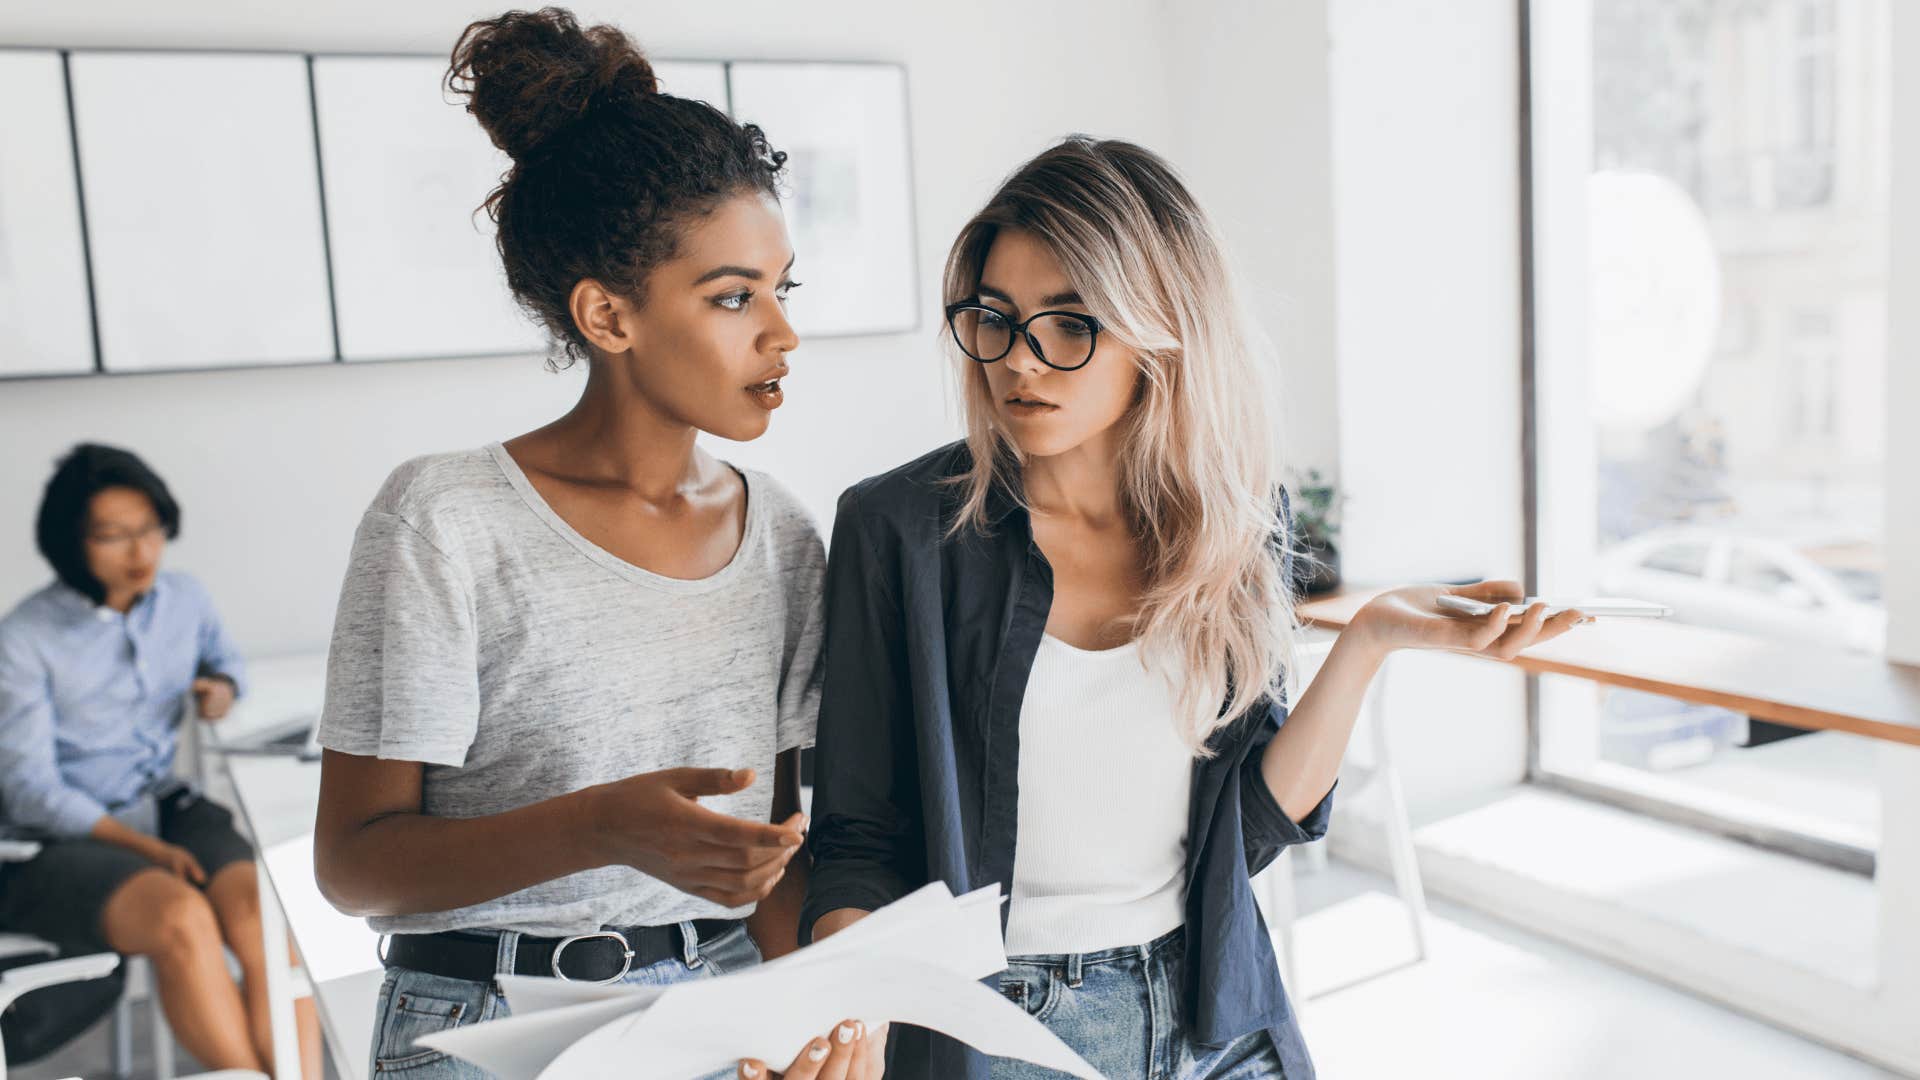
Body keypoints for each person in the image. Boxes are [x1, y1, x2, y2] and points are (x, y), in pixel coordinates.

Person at [794, 137, 1586, 1080]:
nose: (1021, 363)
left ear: (1161, 329)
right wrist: (854, 1010)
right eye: (995, 320)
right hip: (1005, 1029)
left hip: (1218, 1019)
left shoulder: (1234, 526)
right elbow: (856, 838)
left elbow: (1246, 831)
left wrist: (1372, 640)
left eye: (1069, 323)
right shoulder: (900, 532)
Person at [311, 10, 877, 1079]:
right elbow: (354, 869)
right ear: (609, 318)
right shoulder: (444, 519)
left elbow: (775, 858)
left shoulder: (787, 537)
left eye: (781, 289)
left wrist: (822, 1020)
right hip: (481, 1025)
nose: (782, 333)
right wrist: (600, 829)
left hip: (719, 1014)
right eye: (731, 297)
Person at [0, 442, 320, 1076]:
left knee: (260, 913)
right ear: (73, 543)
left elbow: (226, 666)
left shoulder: (184, 600)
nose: (140, 552)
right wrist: (146, 849)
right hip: (52, 843)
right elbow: (32, 791)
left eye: (148, 530)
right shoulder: (25, 639)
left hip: (163, 803)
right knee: (183, 920)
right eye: (113, 536)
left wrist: (219, 689)